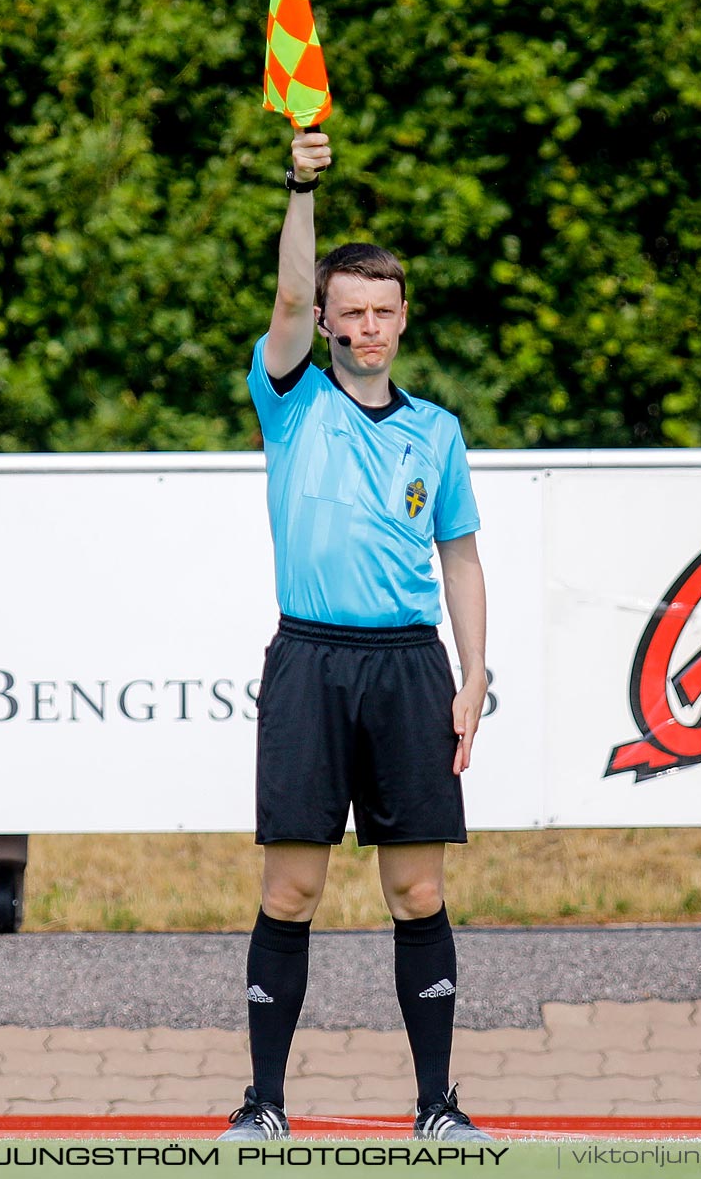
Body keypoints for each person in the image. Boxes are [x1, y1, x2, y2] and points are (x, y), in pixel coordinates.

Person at [220, 124, 491, 1142]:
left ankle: (437, 1107)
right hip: (310, 661)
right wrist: (300, 185)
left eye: (383, 311)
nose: (367, 327)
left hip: (410, 666)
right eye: (351, 312)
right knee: (291, 890)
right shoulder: (290, 400)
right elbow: (286, 296)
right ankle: (263, 1105)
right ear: (327, 325)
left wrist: (474, 677)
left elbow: (460, 559)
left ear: (402, 319)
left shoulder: (439, 431)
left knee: (416, 888)